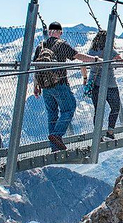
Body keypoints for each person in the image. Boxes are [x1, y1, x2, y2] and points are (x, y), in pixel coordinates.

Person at [32, 21, 96, 152]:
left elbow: (36, 66)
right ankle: (57, 135)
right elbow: (78, 56)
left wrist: (36, 85)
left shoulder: (40, 46)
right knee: (69, 108)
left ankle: (54, 147)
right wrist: (95, 59)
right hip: (60, 84)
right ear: (60, 32)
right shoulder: (62, 44)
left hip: (45, 86)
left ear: (49, 32)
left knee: (52, 114)